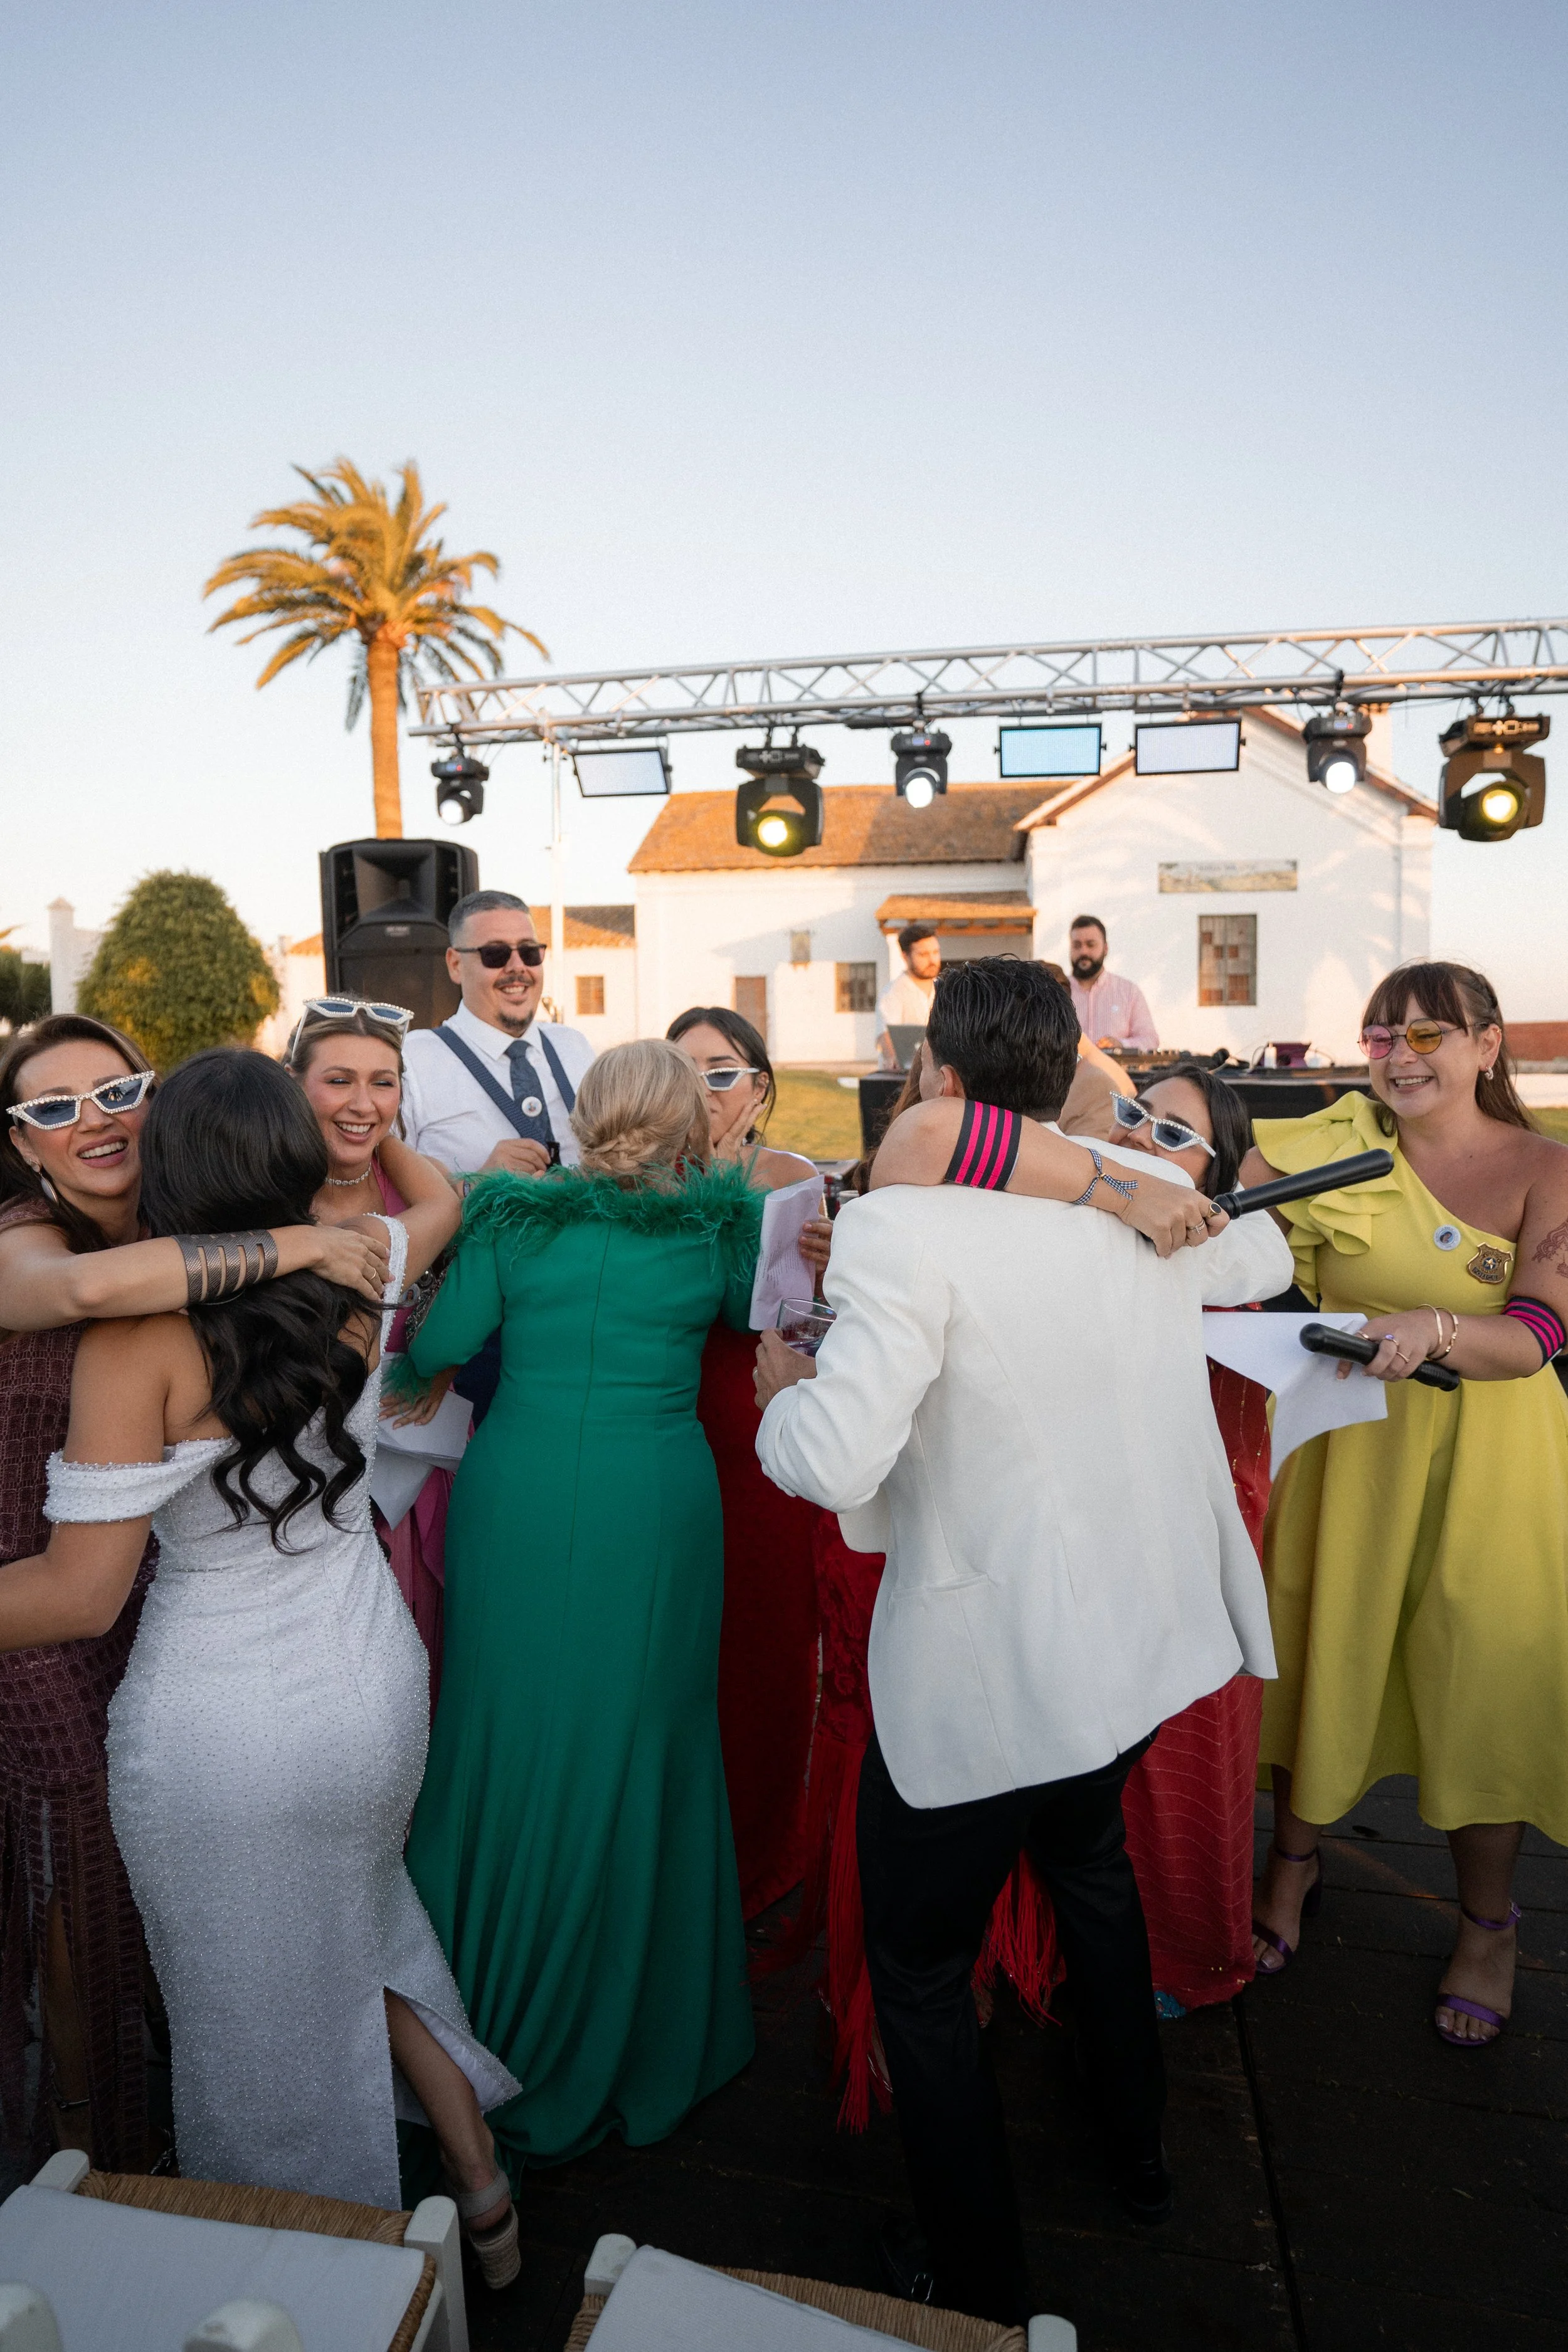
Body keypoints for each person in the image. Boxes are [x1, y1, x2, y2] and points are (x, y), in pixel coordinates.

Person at [755, 958, 1292, 2324]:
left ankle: (973, 2280)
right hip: (1130, 1656)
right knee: (1092, 1873)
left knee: (920, 1975)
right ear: (1065, 1080)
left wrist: (783, 1388)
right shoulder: (1146, 1215)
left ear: (934, 1079)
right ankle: (1140, 2161)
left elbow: (829, 1459)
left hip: (985, 1682)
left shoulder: (905, 1229)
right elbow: (1265, 1249)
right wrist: (1112, 1145)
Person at [0, 1049, 523, 2282]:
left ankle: (305, 2280)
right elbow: (438, 1193)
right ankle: (482, 2197)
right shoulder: (362, 1264)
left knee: (249, 2034)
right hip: (375, 1694)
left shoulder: (136, 1342)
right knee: (359, 1925)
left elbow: (82, 1592)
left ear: (172, 1169)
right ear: (295, 1155)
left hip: (223, 1731)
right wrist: (364, 1129)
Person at [0, 1015, 387, 2181]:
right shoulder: (26, 1238)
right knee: (68, 1904)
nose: (93, 1122)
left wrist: (308, 1234)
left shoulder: (208, 1239)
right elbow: (77, 1293)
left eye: (114, 1091)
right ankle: (89, 2143)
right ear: (22, 1148)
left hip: (161, 1603)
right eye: (52, 1109)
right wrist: (299, 1244)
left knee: (162, 1900)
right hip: (39, 1600)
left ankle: (181, 2132)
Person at [402, 1041, 760, 2178]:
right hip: (655, 1503)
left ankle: (473, 2026)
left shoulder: (508, 1217)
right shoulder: (720, 1225)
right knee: (644, 1745)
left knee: (499, 1736)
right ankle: (643, 2032)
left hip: (520, 1492)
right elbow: (764, 1319)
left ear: (586, 1109)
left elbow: (449, 1349)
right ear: (686, 1124)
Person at [1242, 961, 1568, 2048]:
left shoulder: (1545, 1167)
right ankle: (1292, 1864)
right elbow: (1242, 1257)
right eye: (1382, 1038)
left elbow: (1536, 1334)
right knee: (1320, 1651)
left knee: (1480, 1681)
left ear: (1488, 1046)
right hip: (1348, 1450)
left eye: (1428, 1033)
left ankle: (1488, 1923)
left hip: (1493, 1463)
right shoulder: (1335, 1146)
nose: (1400, 1055)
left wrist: (1433, 1328)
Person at [667, 1006, 822, 1918]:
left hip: (758, 1439)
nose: (702, 1091)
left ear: (759, 1088)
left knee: (761, 1658)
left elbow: (803, 1313)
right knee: (677, 1661)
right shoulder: (639, 1178)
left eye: (720, 1072)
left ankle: (761, 1861)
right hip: (660, 1433)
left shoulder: (790, 1179)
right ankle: (679, 1862)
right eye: (680, 1071)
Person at [285, 1002, 464, 1697]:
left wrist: (440, 1368)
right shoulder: (264, 1188)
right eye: (339, 1081)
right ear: (293, 1084)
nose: (363, 1102)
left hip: (414, 1474)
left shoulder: (415, 1180)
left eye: (383, 1082)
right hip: (301, 1477)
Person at [400, 889, 595, 1421]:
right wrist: (478, 1181)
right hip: (471, 1323)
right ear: (454, 963)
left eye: (530, 953)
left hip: (579, 1308)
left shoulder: (574, 1045)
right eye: (495, 955)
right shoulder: (413, 1058)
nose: (517, 968)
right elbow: (387, 1192)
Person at [1067, 914, 1158, 1051]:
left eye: (1091, 945)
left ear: (1106, 949)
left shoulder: (1129, 992)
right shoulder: (1057, 992)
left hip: (1115, 1072)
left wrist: (1121, 1045)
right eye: (1077, 945)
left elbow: (1150, 1040)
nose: (1083, 951)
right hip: (1070, 1073)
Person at [875, 923, 941, 1067]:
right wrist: (892, 1058)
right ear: (905, 957)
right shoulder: (892, 993)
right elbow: (885, 1036)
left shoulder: (944, 990)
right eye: (923, 954)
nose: (932, 960)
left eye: (935, 952)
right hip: (904, 1079)